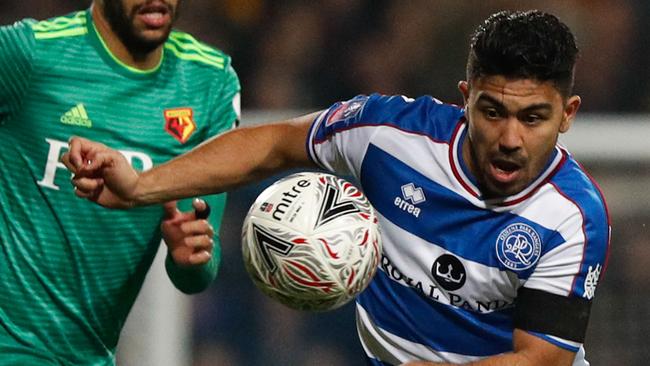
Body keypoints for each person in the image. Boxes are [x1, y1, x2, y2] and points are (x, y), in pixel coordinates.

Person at [64, 10, 610, 366]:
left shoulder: (572, 216)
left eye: (534, 118)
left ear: (568, 114)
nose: (510, 138)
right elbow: (274, 144)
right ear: (465, 97)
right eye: (492, 112)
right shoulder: (390, 136)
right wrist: (141, 187)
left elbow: (539, 359)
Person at [0, 0, 240, 364]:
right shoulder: (29, 53)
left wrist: (190, 257)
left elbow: (198, 270)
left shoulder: (209, 82)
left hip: (90, 355)